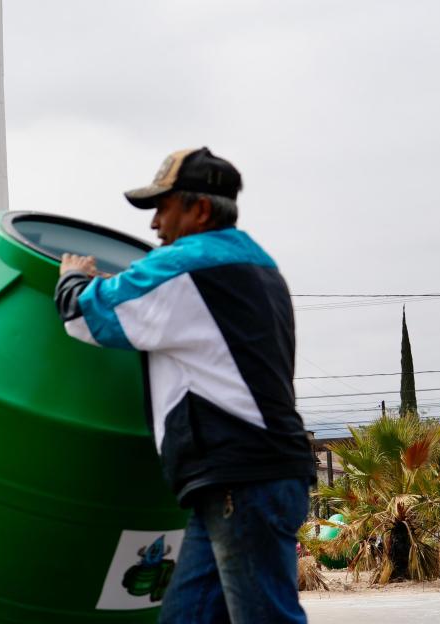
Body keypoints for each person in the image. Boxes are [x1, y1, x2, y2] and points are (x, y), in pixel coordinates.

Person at [54, 148, 315, 623]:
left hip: (242, 480)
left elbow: (86, 317)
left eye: (163, 207)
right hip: (245, 480)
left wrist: (72, 278)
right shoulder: (256, 265)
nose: (155, 225)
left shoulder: (188, 264)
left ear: (199, 209)